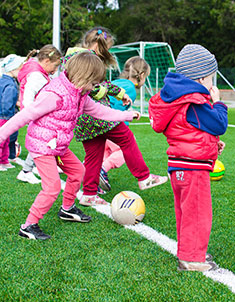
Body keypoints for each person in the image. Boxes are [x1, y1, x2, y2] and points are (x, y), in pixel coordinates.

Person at [0, 52, 141, 240]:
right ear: (83, 77)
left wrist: (126, 115)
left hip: (58, 145)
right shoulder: (54, 95)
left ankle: (67, 208)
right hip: (42, 146)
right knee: (51, 187)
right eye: (93, 83)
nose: (95, 87)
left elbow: (100, 111)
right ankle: (28, 225)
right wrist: (2, 135)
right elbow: (25, 115)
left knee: (78, 172)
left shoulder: (80, 94)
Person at [63, 27, 167, 206]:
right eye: (107, 48)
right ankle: (144, 177)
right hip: (96, 115)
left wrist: (120, 94)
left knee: (94, 155)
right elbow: (91, 87)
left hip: (83, 119)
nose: (107, 52)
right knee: (126, 138)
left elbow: (102, 83)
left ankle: (89, 194)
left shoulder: (74, 56)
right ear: (99, 45)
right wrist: (107, 95)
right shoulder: (85, 59)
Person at [148, 44, 228, 272]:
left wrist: (212, 144)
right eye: (211, 78)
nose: (213, 84)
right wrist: (218, 102)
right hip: (193, 169)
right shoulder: (194, 102)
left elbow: (188, 130)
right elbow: (219, 123)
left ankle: (189, 250)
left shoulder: (177, 99)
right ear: (201, 78)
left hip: (179, 165)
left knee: (186, 212)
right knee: (198, 213)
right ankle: (191, 258)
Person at [99, 56, 151, 192]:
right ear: (142, 75)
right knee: (124, 150)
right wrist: (127, 116)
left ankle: (91, 176)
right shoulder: (131, 90)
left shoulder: (118, 82)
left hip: (98, 123)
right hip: (110, 124)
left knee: (104, 152)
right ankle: (102, 170)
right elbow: (115, 109)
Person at [16, 44, 62, 184]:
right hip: (36, 115)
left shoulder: (39, 72)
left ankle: (34, 167)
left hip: (37, 114)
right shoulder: (37, 75)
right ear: (46, 61)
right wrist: (32, 114)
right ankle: (26, 171)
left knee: (44, 141)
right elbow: (29, 96)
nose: (55, 71)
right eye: (55, 66)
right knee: (41, 142)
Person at [0, 54, 24, 171]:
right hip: (5, 116)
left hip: (4, 115)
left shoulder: (3, 80)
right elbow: (7, 102)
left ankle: (4, 160)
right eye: (20, 69)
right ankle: (1, 161)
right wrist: (8, 117)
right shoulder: (10, 85)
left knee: (6, 139)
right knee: (3, 140)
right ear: (13, 69)